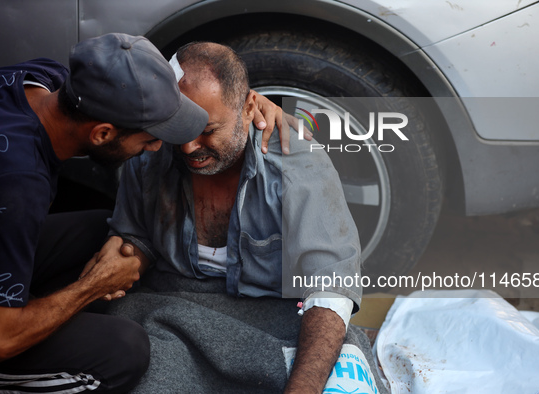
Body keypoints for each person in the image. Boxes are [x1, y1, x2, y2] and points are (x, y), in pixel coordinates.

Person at [0, 33, 289, 393]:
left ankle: (33, 310)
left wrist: (244, 103)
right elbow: (0, 341)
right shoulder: (20, 187)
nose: (160, 146)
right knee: (123, 351)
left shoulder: (40, 80)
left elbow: (134, 70)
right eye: (149, 138)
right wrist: (90, 288)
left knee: (95, 230)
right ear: (102, 133)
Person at [104, 42, 383, 394]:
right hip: (173, 310)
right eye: (179, 128)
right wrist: (124, 257)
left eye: (207, 130)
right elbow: (135, 239)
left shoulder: (296, 164)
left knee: (336, 369)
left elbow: (330, 290)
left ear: (250, 107)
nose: (189, 146)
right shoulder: (150, 155)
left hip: (276, 318)